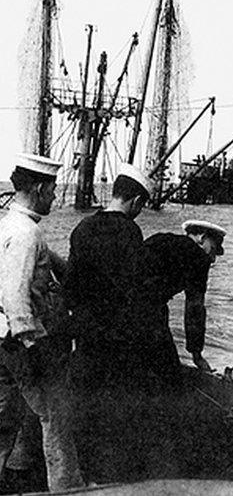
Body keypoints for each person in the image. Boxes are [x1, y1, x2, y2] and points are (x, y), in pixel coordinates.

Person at [63, 163, 154, 483]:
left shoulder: (82, 228)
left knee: (88, 413)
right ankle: (116, 483)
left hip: (87, 341)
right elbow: (135, 293)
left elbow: (70, 290)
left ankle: (90, 481)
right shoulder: (131, 232)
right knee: (119, 417)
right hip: (119, 343)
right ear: (136, 202)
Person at [0, 153, 84, 491]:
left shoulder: (7, 224)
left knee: (4, 418)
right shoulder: (27, 233)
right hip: (21, 341)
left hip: (2, 340)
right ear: (38, 188)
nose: (53, 197)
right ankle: (68, 489)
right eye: (51, 190)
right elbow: (16, 295)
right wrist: (33, 344)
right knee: (56, 418)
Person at [142, 220, 226, 385]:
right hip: (148, 309)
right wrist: (197, 355)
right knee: (169, 375)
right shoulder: (199, 257)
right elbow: (195, 308)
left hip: (115, 304)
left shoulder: (159, 239)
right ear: (202, 238)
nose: (213, 258)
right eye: (214, 249)